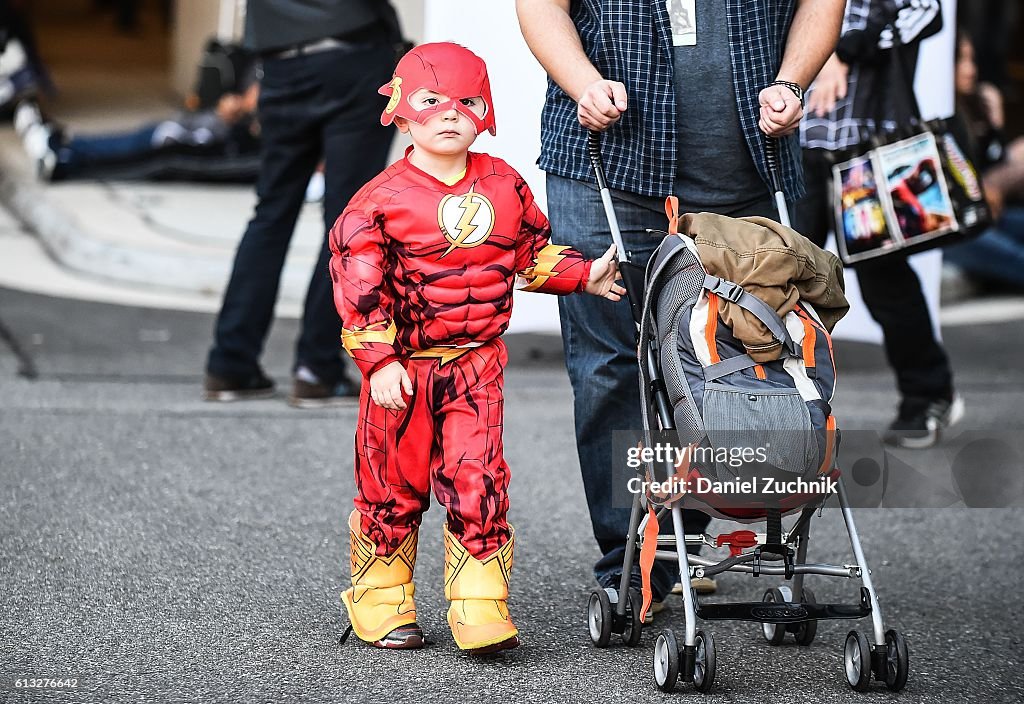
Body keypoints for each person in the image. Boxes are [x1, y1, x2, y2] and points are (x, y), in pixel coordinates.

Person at [515, 0, 844, 603]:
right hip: (606, 167)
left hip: (746, 172)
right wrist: (583, 84)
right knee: (609, 365)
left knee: (742, 361)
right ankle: (633, 558)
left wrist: (793, 81)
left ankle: (692, 539)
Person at [331, 42, 624, 653]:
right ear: (401, 111)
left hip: (477, 363)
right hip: (403, 368)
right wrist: (378, 362)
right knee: (391, 484)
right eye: (431, 101)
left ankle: (479, 605)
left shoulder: (504, 183)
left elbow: (530, 254)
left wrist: (582, 274)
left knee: (480, 480)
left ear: (484, 110)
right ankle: (381, 601)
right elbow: (358, 287)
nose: (449, 114)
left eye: (466, 101)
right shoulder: (377, 202)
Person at [203, 0, 401, 408]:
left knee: (272, 213)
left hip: (280, 62)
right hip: (352, 51)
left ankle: (230, 363)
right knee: (348, 223)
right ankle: (316, 367)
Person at [797, 0, 964, 449]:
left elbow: (925, 13)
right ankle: (778, 410)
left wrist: (843, 51)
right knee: (782, 281)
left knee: (885, 283)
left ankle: (928, 394)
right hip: (796, 144)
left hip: (867, 150)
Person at [13, 79, 261, 182]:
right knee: (148, 137)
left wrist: (251, 111)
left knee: (158, 155)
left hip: (218, 146)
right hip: (205, 133)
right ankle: (62, 146)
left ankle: (63, 158)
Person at [944, 34, 1024, 291]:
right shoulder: (934, 116)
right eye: (961, 60)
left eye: (972, 60)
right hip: (955, 229)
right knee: (1014, 258)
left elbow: (994, 165)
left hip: (987, 215)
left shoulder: (976, 106)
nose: (970, 70)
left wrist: (994, 127)